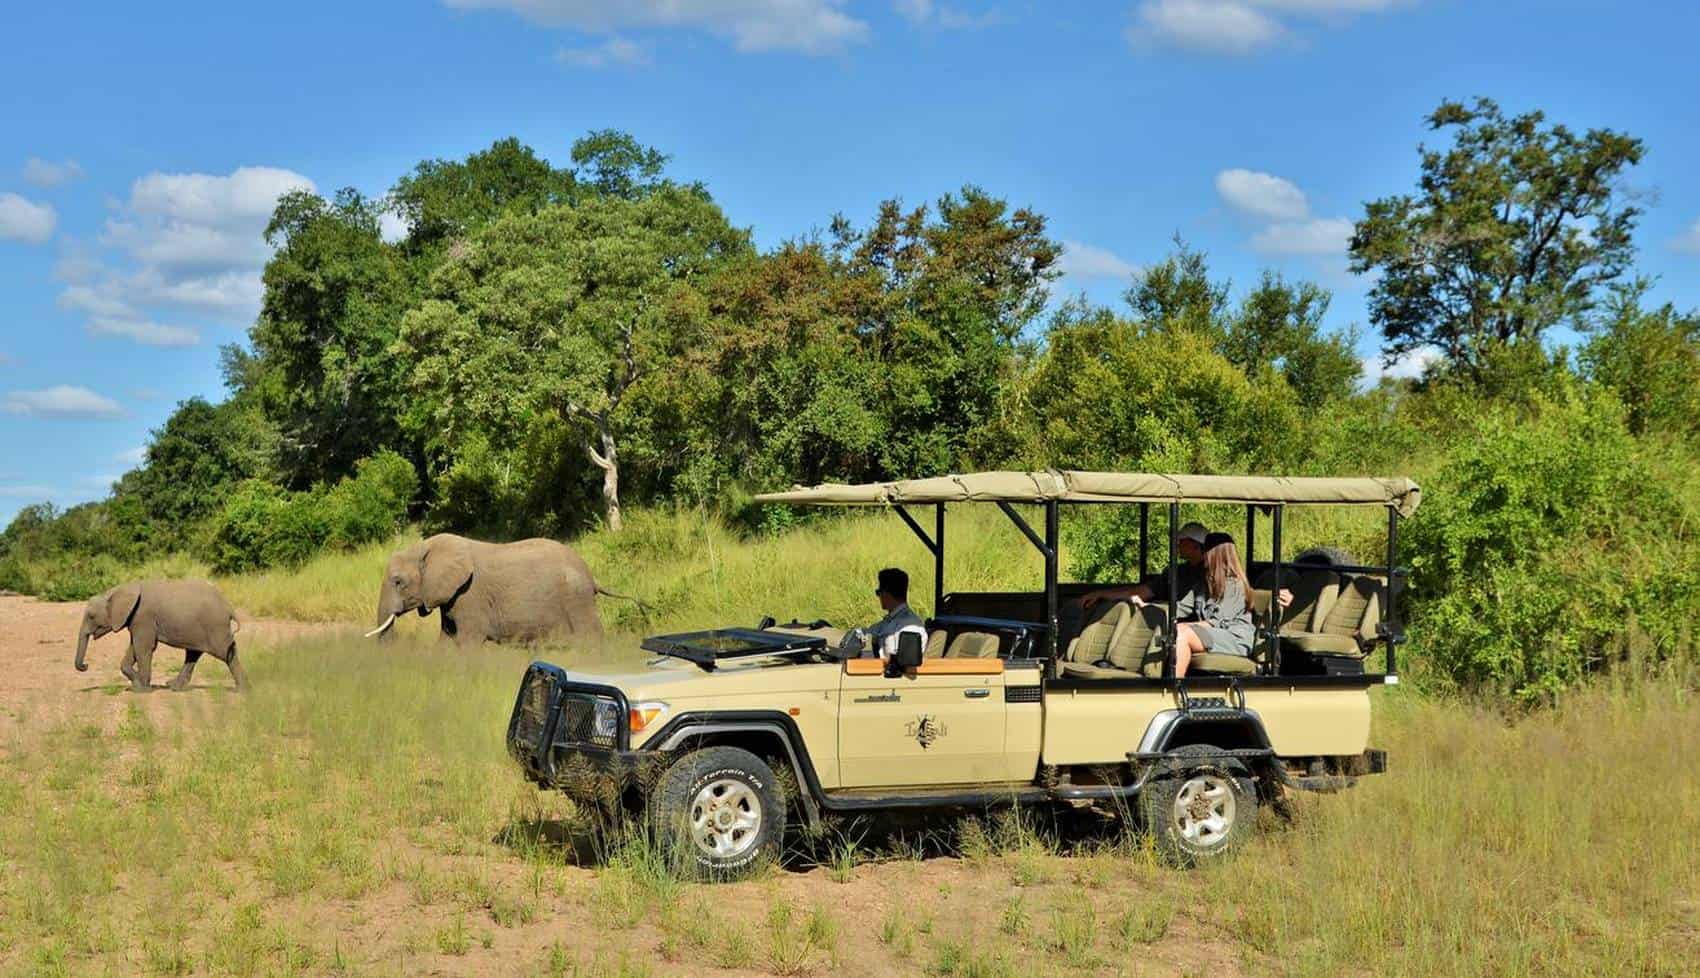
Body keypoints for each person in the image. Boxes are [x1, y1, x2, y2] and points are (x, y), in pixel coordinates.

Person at [1145, 532, 1255, 677]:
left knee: (1182, 635)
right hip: (1212, 634)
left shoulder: (1234, 585)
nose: (1203, 556)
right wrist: (1148, 609)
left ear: (1215, 554)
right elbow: (1180, 608)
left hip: (1234, 638)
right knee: (1173, 628)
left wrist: (1187, 626)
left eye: (1205, 551)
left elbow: (1216, 622)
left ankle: (1173, 684)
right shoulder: (1204, 583)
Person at [1080, 521, 1210, 611]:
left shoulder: (1212, 573)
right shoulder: (1178, 572)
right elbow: (1142, 591)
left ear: (1196, 545)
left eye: (1182, 541)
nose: (1178, 544)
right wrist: (1102, 594)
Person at [841, 567, 925, 660]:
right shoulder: (890, 620)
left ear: (886, 593)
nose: (879, 597)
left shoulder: (909, 626)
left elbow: (898, 664)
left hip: (887, 672)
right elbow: (867, 632)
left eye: (878, 592)